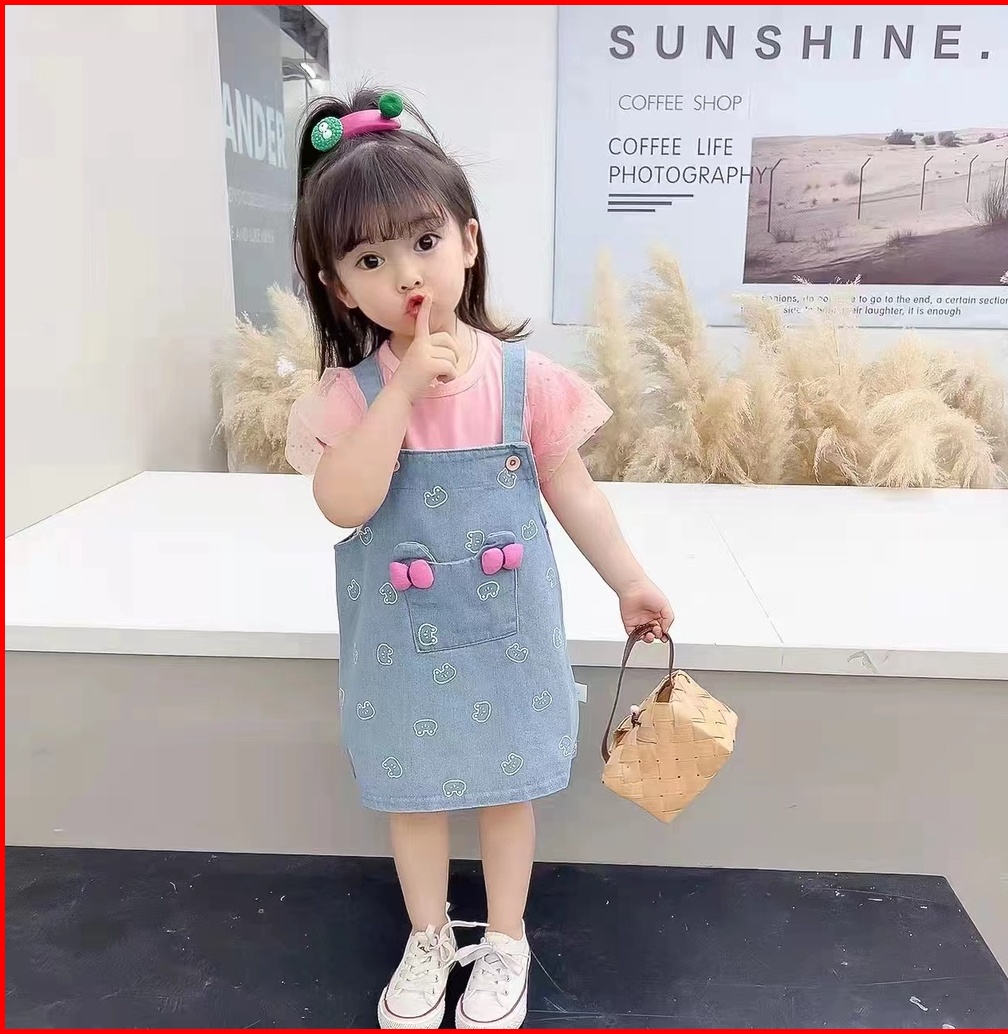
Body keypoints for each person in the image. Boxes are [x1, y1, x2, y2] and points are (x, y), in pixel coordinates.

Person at [286, 87, 674, 1030]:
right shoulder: (349, 397)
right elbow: (343, 502)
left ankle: (505, 938)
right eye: (370, 260)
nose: (405, 274)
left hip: (506, 640)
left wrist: (629, 579)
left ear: (467, 241)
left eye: (424, 242)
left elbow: (574, 492)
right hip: (402, 650)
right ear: (340, 288)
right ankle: (428, 937)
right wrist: (401, 394)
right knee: (414, 798)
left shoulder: (524, 380)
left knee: (508, 793)